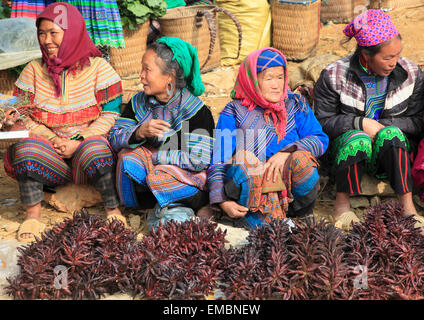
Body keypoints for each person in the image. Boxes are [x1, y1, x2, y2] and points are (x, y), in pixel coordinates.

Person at [5, 2, 125, 242]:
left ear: (72, 34)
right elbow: (23, 114)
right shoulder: (32, 71)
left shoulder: (99, 68)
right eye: (42, 33)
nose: (47, 40)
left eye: (53, 33)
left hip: (86, 158)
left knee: (98, 148)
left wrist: (77, 141)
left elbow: (111, 113)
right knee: (24, 148)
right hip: (51, 160)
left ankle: (113, 210)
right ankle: (33, 216)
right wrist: (51, 138)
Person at [314, 9, 424, 229]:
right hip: (346, 153)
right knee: (357, 138)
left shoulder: (411, 73)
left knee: (391, 133)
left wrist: (383, 127)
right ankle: (342, 205)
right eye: (388, 57)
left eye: (398, 55)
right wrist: (360, 123)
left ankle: (407, 207)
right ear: (366, 55)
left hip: (391, 153)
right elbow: (322, 122)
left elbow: (418, 121)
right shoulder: (335, 75)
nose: (395, 62)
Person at [207, 47, 328, 229]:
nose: (276, 85)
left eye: (280, 77)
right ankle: (256, 219)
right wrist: (222, 202)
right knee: (246, 160)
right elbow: (219, 160)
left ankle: (295, 214)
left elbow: (319, 139)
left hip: (290, 193)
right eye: (268, 78)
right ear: (252, 80)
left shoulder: (295, 104)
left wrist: (287, 152)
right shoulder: (233, 112)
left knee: (301, 159)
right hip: (248, 193)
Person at [109, 37, 215, 220]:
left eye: (147, 69)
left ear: (169, 76)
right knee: (127, 158)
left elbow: (200, 160)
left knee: (159, 177)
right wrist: (139, 132)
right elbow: (114, 138)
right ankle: (149, 205)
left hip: (185, 183)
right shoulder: (138, 103)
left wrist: (157, 157)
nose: (141, 75)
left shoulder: (197, 112)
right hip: (151, 177)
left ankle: (178, 205)